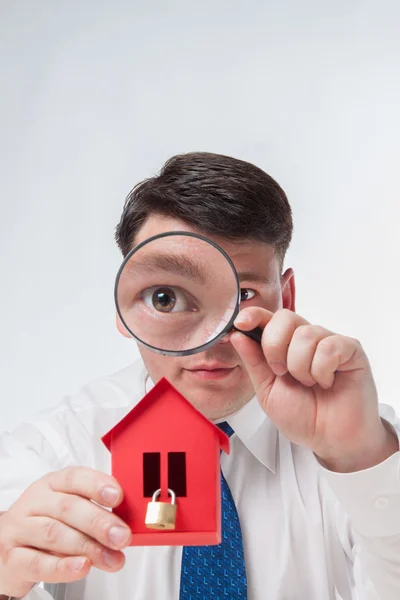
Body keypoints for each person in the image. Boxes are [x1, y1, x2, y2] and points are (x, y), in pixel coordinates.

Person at [0, 152, 399, 600]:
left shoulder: (362, 441)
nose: (211, 341)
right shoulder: (54, 451)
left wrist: (363, 457)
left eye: (243, 294)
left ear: (286, 297)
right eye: (167, 298)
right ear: (125, 304)